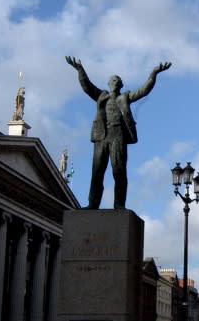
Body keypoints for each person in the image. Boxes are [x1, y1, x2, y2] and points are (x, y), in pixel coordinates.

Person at [65, 56, 171, 209]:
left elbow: (144, 90)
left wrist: (154, 73)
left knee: (119, 172)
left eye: (117, 81)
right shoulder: (101, 96)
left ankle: (119, 204)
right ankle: (92, 203)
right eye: (112, 81)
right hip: (102, 135)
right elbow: (86, 86)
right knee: (97, 172)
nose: (114, 83)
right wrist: (80, 69)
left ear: (121, 85)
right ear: (108, 84)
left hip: (118, 136)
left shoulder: (125, 97)